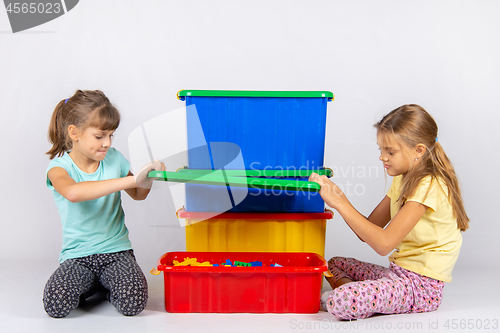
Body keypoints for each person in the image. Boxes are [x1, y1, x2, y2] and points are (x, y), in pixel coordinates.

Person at [309, 104, 469, 320]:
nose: (382, 157)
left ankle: (351, 297)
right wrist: (337, 200)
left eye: (390, 151)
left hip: (420, 287)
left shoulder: (430, 185)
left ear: (418, 151)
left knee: (341, 301)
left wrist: (341, 203)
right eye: (381, 150)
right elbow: (369, 230)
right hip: (396, 273)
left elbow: (384, 244)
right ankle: (369, 295)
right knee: (335, 263)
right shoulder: (403, 180)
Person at [43, 90, 165, 318]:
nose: (107, 143)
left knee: (133, 303)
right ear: (75, 133)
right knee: (55, 305)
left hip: (116, 252)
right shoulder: (59, 168)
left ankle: (105, 287)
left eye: (111, 135)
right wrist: (130, 178)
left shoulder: (115, 159)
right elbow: (73, 193)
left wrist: (148, 178)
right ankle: (93, 284)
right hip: (78, 256)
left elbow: (138, 194)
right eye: (99, 136)